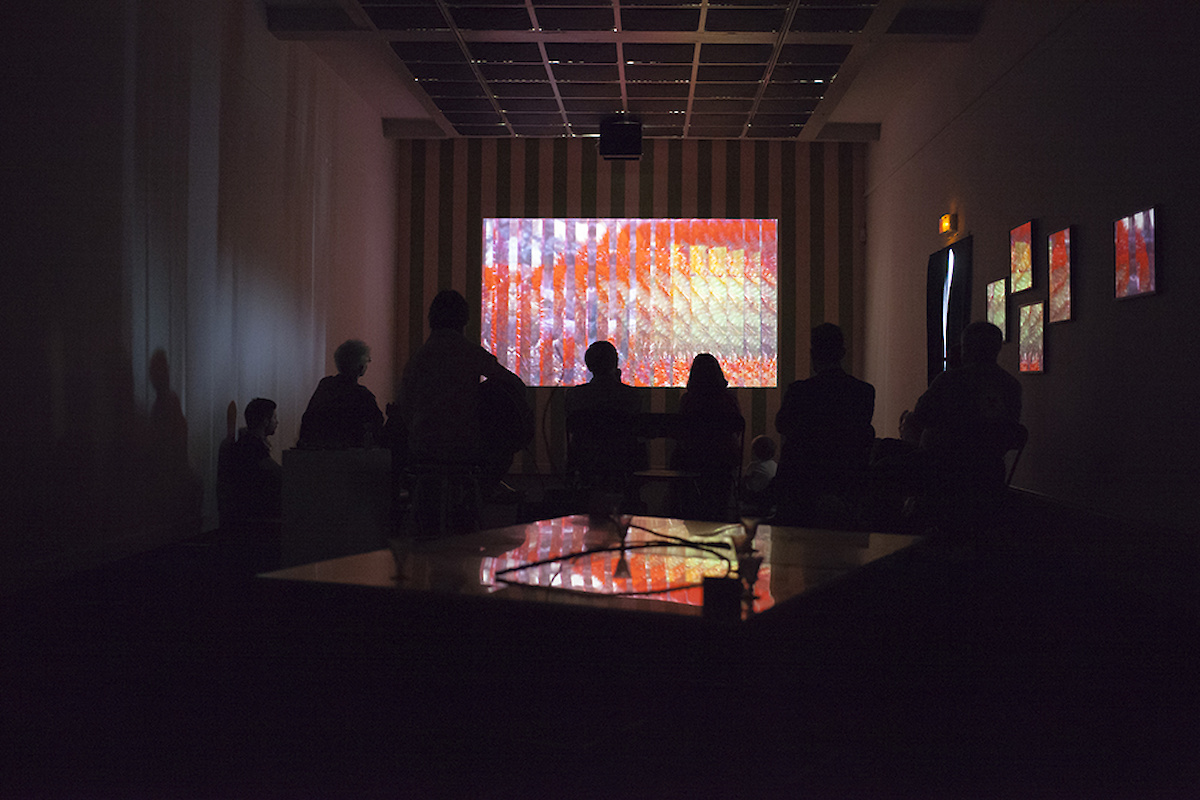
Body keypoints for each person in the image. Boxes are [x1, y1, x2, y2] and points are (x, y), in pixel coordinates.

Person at [398, 289, 531, 485]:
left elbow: (405, 404)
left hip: (423, 445)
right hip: (465, 446)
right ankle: (480, 495)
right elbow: (513, 383)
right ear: (464, 319)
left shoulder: (419, 357)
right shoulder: (471, 353)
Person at [774, 323, 876, 526]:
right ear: (842, 353)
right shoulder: (863, 392)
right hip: (846, 482)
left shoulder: (799, 392)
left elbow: (781, 425)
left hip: (802, 487)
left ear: (813, 354)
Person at [908, 320, 1022, 491]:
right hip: (990, 474)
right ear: (997, 348)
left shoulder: (949, 381)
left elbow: (921, 416)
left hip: (941, 471)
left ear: (965, 348)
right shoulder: (1012, 385)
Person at [672, 353, 745, 519]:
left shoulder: (689, 400)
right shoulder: (728, 400)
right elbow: (735, 431)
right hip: (722, 462)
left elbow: (681, 433)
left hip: (691, 460)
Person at [564, 341, 645, 490]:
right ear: (615, 364)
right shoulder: (631, 396)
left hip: (586, 464)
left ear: (589, 365)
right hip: (621, 464)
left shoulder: (575, 395)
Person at [217, 397, 283, 569]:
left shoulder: (243, 444)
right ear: (265, 420)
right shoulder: (253, 447)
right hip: (255, 521)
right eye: (274, 418)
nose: (277, 422)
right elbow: (276, 473)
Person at [297, 339, 384, 449]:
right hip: (349, 457)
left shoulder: (325, 386)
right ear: (360, 366)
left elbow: (309, 420)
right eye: (367, 360)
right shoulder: (363, 395)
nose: (369, 362)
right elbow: (377, 423)